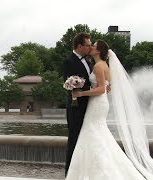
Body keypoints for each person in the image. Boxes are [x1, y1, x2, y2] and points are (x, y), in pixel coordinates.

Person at [66, 40, 153, 179]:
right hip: (99, 103)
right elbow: (107, 86)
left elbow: (101, 89)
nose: (91, 47)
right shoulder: (104, 65)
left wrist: (81, 93)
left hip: (96, 103)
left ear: (98, 51)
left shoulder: (97, 66)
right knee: (98, 133)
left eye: (94, 46)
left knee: (92, 131)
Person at [62, 32, 92, 176]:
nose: (90, 48)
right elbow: (68, 85)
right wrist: (76, 87)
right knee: (74, 138)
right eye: (88, 45)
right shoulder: (69, 61)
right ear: (79, 46)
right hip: (76, 107)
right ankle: (70, 173)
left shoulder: (89, 61)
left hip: (90, 106)